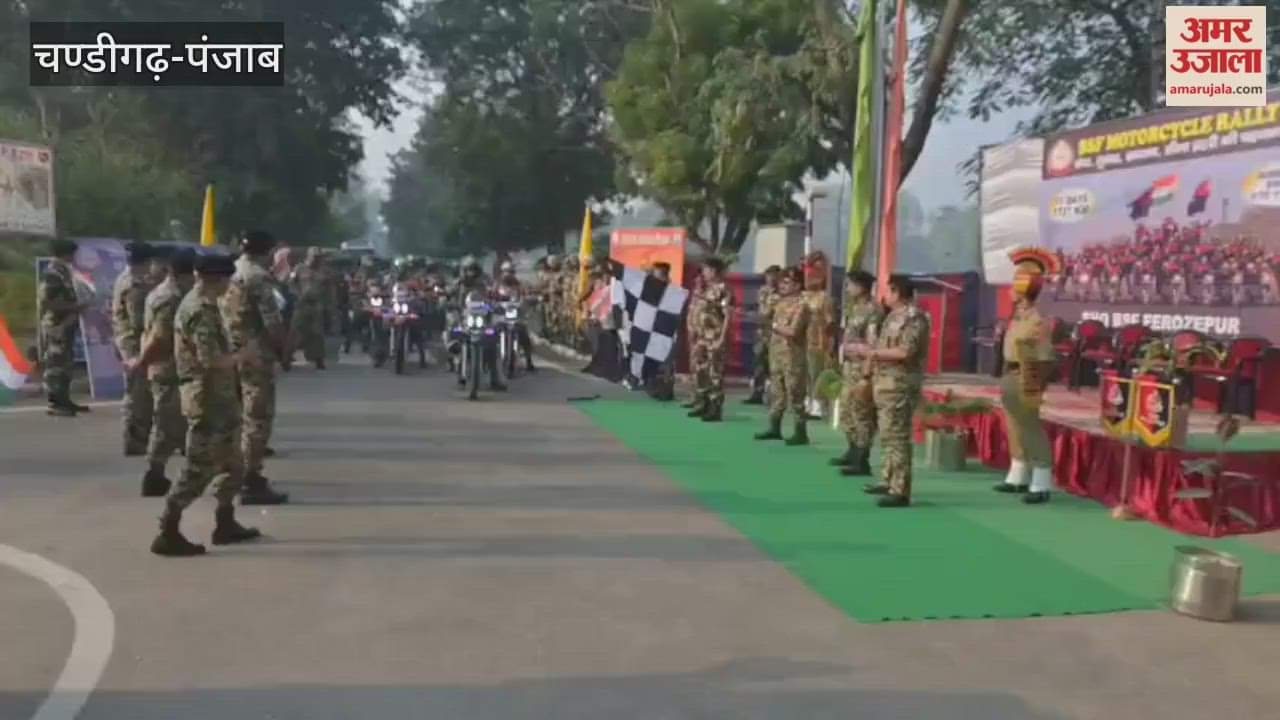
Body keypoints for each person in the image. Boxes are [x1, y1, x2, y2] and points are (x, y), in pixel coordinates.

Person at [150, 254, 262, 557]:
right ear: (218, 278)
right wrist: (244, 356)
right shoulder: (199, 310)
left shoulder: (208, 305)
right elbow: (210, 360)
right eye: (228, 280)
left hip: (221, 399)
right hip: (207, 400)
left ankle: (225, 523)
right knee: (198, 469)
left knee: (233, 465)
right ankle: (168, 530)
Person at [847, 276, 929, 508]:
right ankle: (888, 478)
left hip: (900, 384)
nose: (885, 296)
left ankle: (900, 489)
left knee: (897, 437)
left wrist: (873, 354)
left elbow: (905, 352)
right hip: (884, 382)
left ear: (897, 292)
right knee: (886, 434)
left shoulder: (914, 318)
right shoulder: (892, 316)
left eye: (889, 291)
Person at [222, 231, 290, 505]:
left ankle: (231, 470)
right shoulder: (258, 277)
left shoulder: (232, 271)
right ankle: (250, 479)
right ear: (267, 251)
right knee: (257, 418)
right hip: (254, 354)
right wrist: (283, 351)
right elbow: (272, 322)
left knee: (235, 415)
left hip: (229, 351)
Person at [125, 248, 197, 497]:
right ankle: (154, 474)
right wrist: (142, 362)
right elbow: (160, 338)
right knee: (168, 423)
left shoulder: (166, 292)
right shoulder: (171, 298)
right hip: (168, 368)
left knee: (178, 421)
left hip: (170, 366)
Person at [993, 247, 1061, 505]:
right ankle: (1018, 474)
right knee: (1013, 425)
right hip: (1010, 373)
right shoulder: (1017, 317)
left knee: (1030, 426)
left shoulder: (1037, 320)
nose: (1009, 290)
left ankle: (1041, 481)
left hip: (1028, 373)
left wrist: (1035, 384)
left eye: (1014, 286)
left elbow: (1042, 355)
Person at [832, 271, 883, 477]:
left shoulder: (873, 310)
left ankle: (862, 458)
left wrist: (867, 371)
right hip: (849, 366)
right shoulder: (853, 308)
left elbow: (873, 343)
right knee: (847, 410)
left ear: (862, 287)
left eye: (851, 285)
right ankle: (852, 450)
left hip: (861, 367)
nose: (847, 289)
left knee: (862, 413)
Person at [112, 242, 157, 454]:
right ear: (147, 261)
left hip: (129, 342)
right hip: (135, 345)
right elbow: (140, 322)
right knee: (138, 397)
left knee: (139, 394)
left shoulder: (125, 278)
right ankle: (134, 442)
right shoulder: (135, 285)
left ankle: (137, 440)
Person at [755, 267, 809, 443]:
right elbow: (763, 317)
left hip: (793, 355)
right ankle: (774, 427)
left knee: (795, 392)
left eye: (787, 282)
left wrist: (775, 326)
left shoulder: (802, 305)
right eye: (782, 282)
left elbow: (793, 331)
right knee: (776, 391)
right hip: (776, 353)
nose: (782, 285)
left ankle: (800, 431)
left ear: (798, 285)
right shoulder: (779, 302)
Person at [39, 239, 89, 417]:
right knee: (55, 365)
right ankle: (56, 403)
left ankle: (64, 399)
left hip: (66, 324)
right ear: (65, 253)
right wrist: (75, 307)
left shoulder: (64, 272)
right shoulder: (53, 273)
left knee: (65, 364)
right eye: (72, 254)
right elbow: (48, 302)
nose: (74, 257)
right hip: (56, 325)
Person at [690, 257, 731, 422]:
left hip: (714, 337)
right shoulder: (707, 289)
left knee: (715, 373)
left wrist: (722, 338)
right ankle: (703, 403)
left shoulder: (724, 289)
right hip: (702, 337)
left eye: (706, 269)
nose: (704, 273)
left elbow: (728, 316)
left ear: (714, 271)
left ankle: (715, 408)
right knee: (702, 371)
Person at [802, 252, 836, 418]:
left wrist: (830, 344)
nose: (811, 278)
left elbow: (830, 323)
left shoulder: (824, 298)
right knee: (804, 374)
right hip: (801, 341)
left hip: (818, 341)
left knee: (817, 373)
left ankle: (817, 406)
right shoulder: (801, 297)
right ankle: (806, 402)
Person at [745, 265, 781, 405]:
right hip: (761, 332)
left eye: (773, 275)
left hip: (775, 333)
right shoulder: (762, 291)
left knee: (773, 365)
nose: (771, 278)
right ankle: (757, 393)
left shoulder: (782, 293)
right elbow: (759, 308)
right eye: (768, 275)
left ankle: (774, 395)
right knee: (758, 363)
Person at [289, 247, 329, 370]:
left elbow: (328, 287)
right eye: (314, 257)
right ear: (308, 256)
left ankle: (319, 359)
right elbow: (291, 283)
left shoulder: (323, 271)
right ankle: (287, 356)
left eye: (318, 258)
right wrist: (297, 294)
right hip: (302, 304)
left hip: (316, 304)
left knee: (317, 333)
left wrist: (329, 304)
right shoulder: (299, 268)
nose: (316, 260)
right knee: (296, 330)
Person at [496, 260, 536, 372]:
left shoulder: (519, 285)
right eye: (505, 271)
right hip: (501, 317)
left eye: (510, 271)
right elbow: (489, 295)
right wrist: (490, 302)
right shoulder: (497, 284)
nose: (508, 274)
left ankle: (529, 361)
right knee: (489, 336)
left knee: (525, 337)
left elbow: (527, 295)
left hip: (516, 317)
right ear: (502, 272)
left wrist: (530, 299)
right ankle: (487, 361)